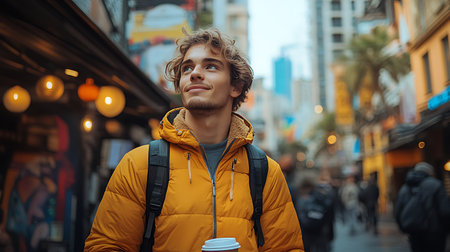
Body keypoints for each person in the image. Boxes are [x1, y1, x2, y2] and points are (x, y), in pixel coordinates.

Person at [84, 28, 304, 251]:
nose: (195, 73)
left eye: (210, 66)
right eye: (187, 67)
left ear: (235, 87)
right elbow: (105, 245)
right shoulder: (139, 165)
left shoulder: (266, 172)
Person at [394, 162, 450, 252]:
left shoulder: (404, 189)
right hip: (435, 235)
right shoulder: (436, 185)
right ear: (430, 173)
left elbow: (397, 213)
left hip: (414, 233)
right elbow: (445, 211)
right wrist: (445, 230)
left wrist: (405, 228)